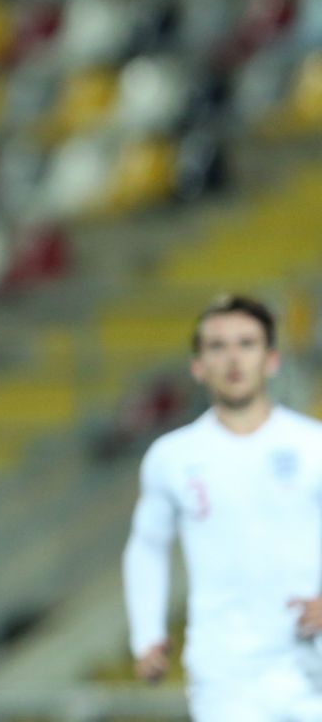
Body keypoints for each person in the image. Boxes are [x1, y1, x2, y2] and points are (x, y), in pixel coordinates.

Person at [123, 294, 322, 721]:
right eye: (217, 346)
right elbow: (148, 546)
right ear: (197, 366)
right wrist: (147, 635)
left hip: (312, 666)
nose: (233, 358)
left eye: (246, 344)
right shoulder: (173, 457)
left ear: (271, 360)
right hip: (226, 676)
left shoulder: (313, 446)